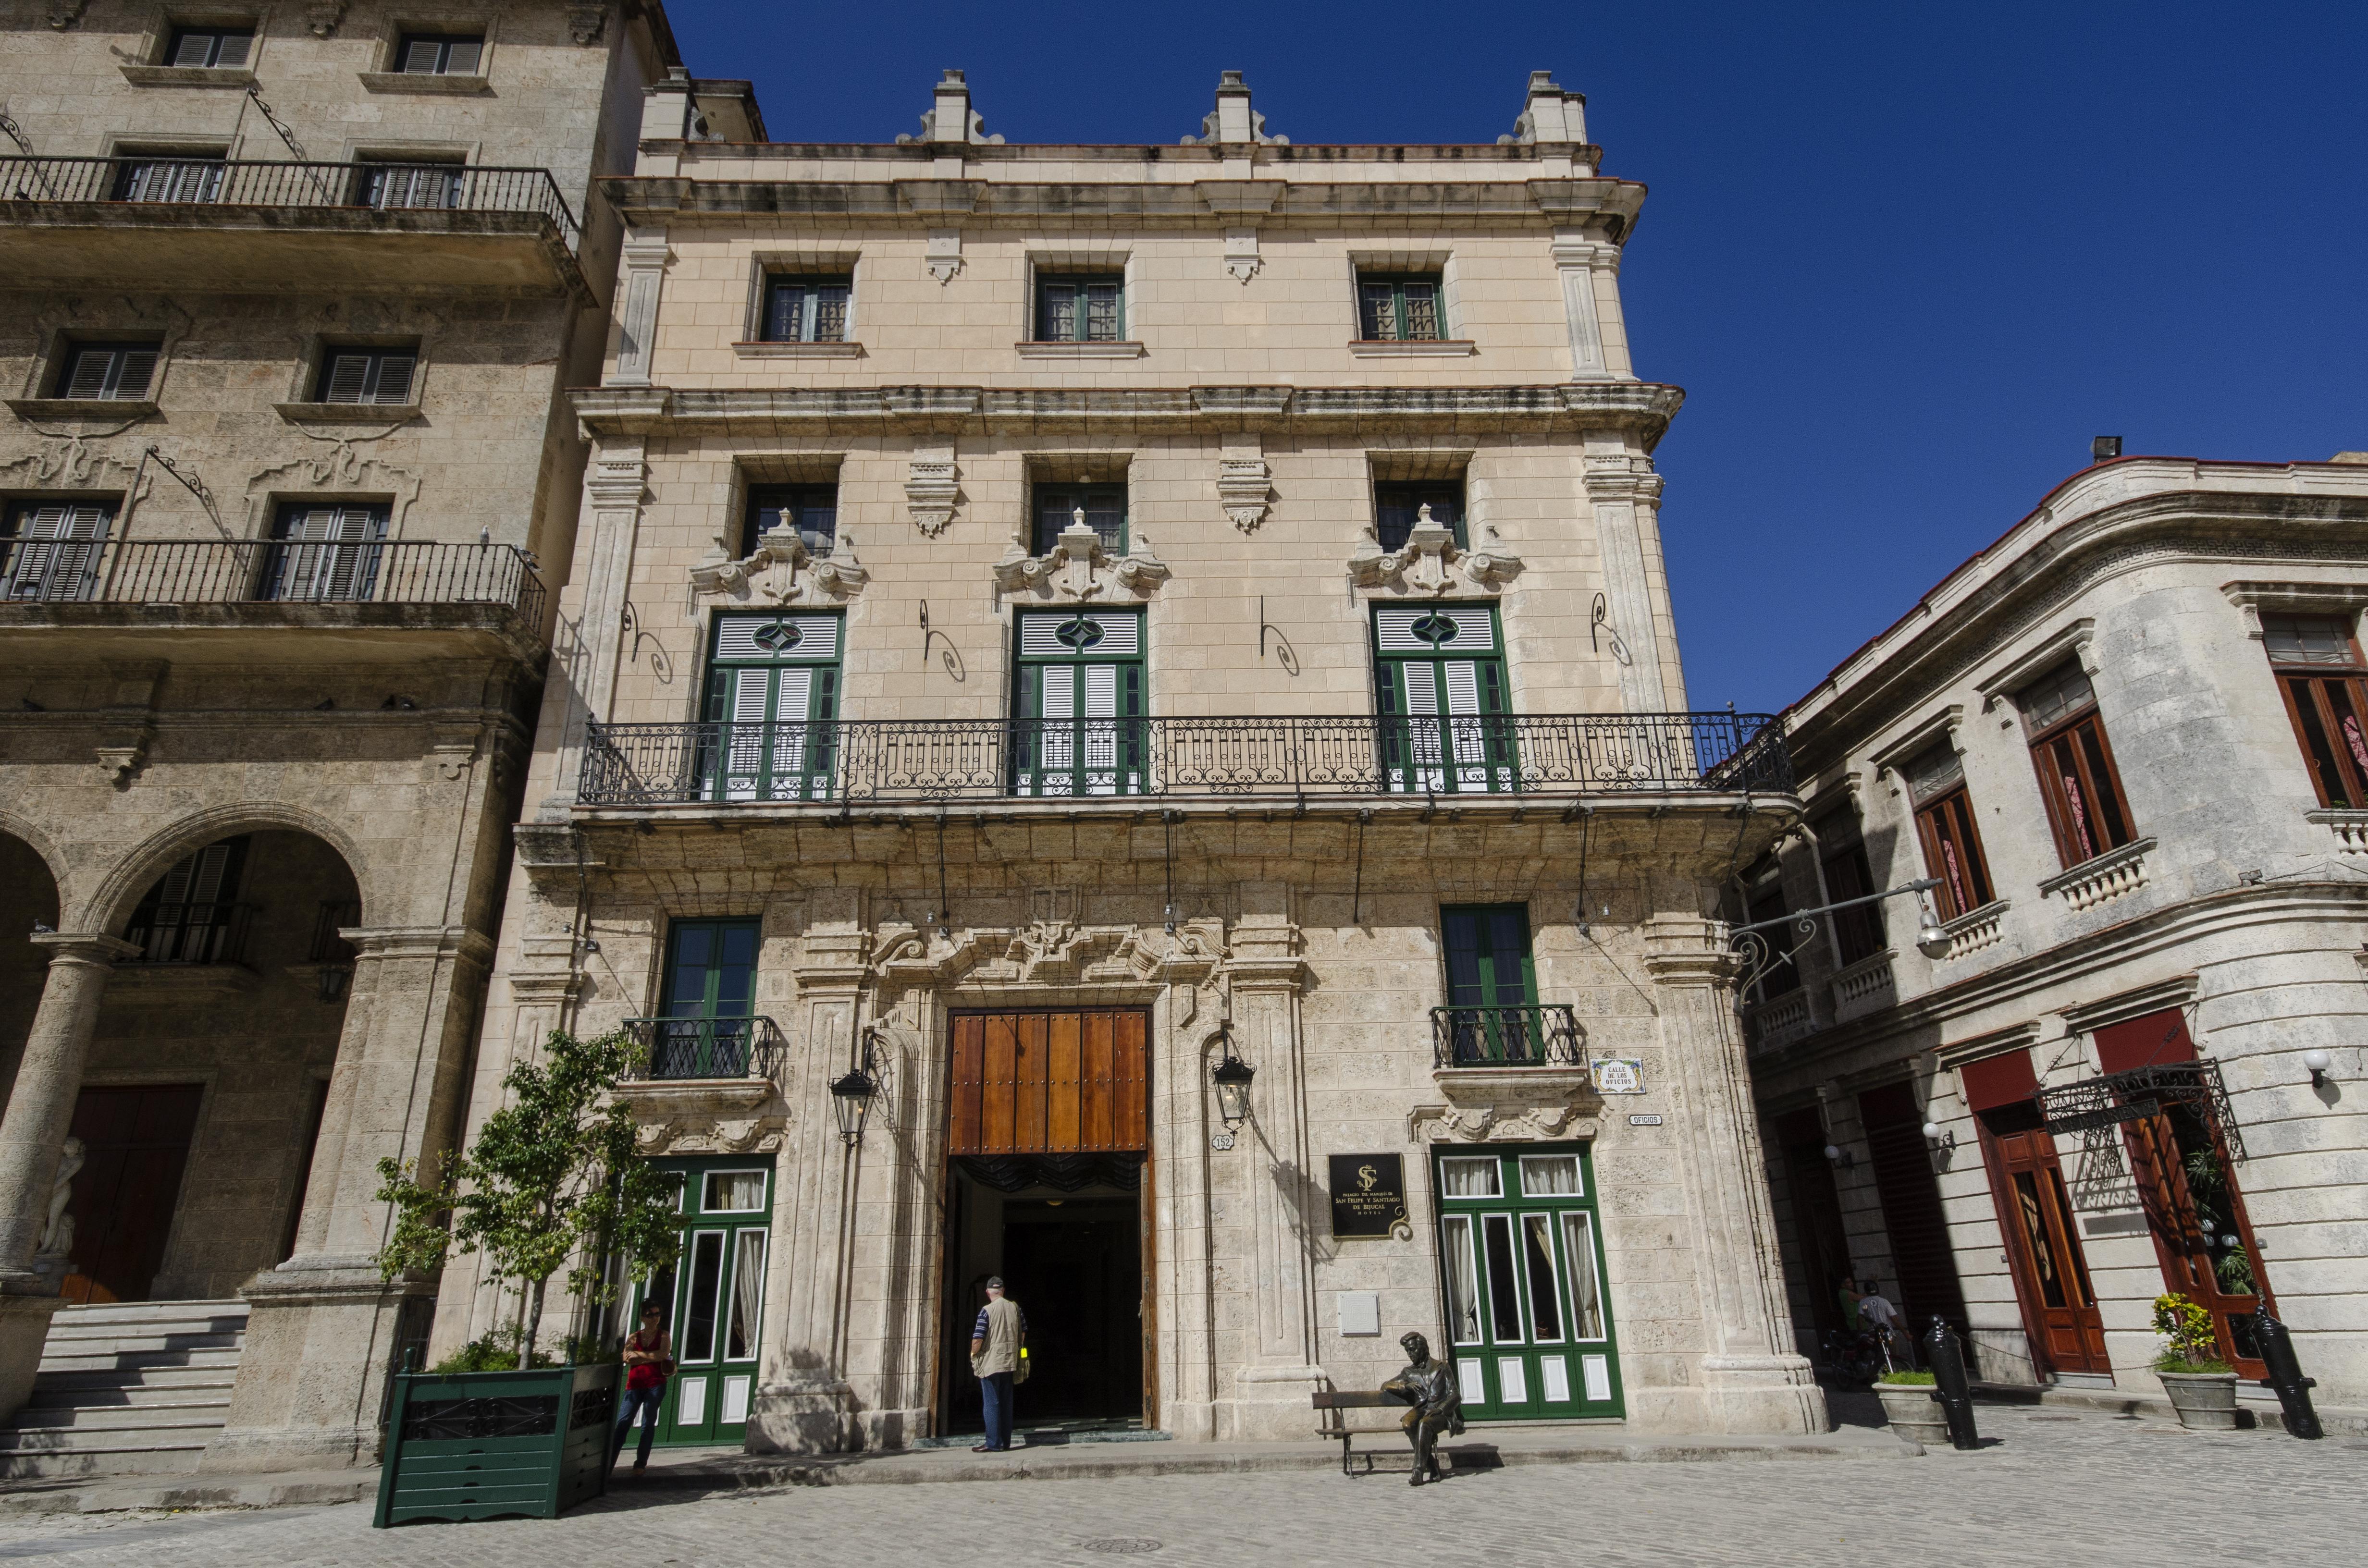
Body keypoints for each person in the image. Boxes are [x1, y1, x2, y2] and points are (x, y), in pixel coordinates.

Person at [1379, 1330, 1464, 1486]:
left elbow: (1455, 1395)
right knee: (1408, 1423)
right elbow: (1385, 1386)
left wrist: (1441, 1409)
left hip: (1440, 1413)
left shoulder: (1442, 1367)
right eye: (1408, 1351)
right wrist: (1404, 1385)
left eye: (1413, 1350)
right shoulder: (1408, 1372)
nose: (1410, 1354)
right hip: (1421, 1410)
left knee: (1425, 1424)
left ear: (1423, 1348)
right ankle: (1433, 1466)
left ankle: (1418, 1472)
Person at [611, 1302, 673, 1474]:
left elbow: (662, 1355)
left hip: (655, 1385)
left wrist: (638, 1355)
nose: (655, 1318)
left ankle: (640, 1464)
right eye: (651, 1315)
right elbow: (626, 1358)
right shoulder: (633, 1337)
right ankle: (608, 1465)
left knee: (648, 1424)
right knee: (623, 1424)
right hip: (634, 1386)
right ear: (643, 1318)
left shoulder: (664, 1336)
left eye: (658, 1314)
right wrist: (650, 1357)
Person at [969, 1275, 1027, 1453]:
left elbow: (978, 1337)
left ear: (988, 1292)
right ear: (1003, 1291)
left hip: (992, 1363)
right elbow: (1023, 1332)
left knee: (992, 1403)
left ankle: (993, 1443)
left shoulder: (987, 1311)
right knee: (1006, 1402)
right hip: (1009, 1362)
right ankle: (1005, 1442)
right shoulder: (1015, 1308)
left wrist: (973, 1354)